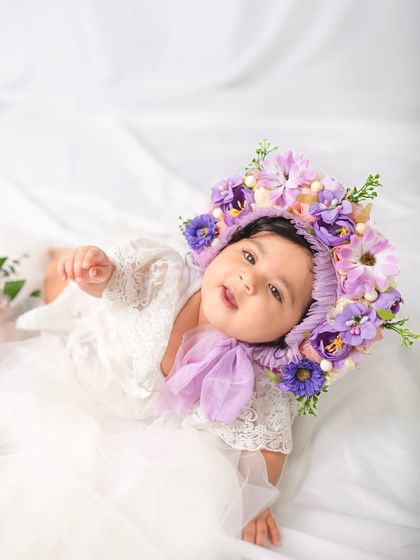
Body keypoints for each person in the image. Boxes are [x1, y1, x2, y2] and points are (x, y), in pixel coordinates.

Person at [0, 142, 412, 559]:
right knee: (53, 289)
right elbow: (107, 283)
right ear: (222, 248)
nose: (248, 280)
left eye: (274, 290)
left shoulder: (250, 382)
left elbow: (268, 444)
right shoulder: (161, 277)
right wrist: (92, 270)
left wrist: (256, 502)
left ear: (293, 334)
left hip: (121, 402)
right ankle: (50, 264)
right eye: (249, 256)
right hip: (95, 338)